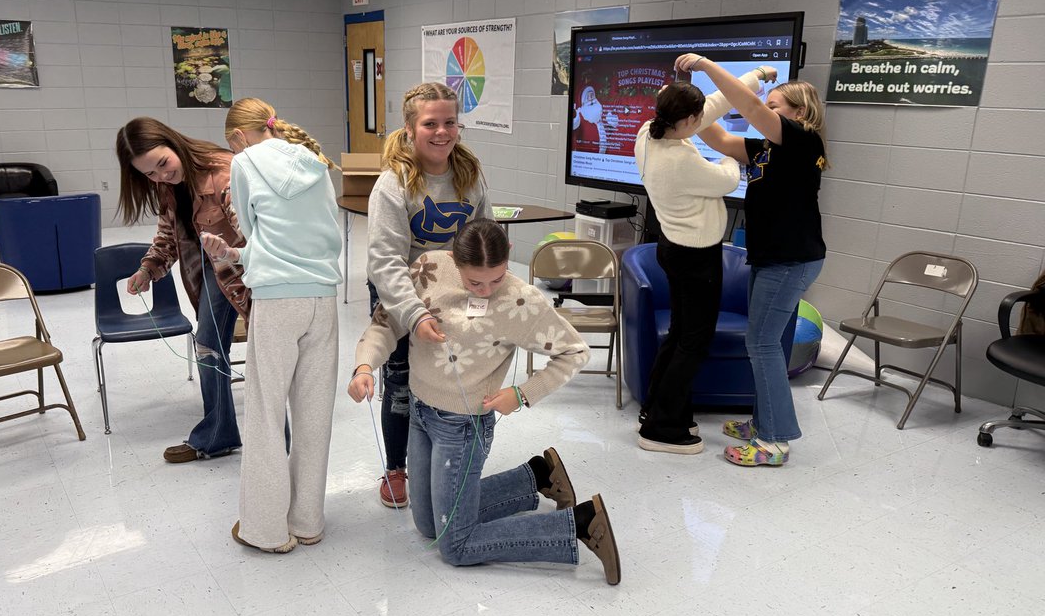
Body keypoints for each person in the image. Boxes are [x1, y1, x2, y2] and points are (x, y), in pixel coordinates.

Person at [348, 219, 621, 585]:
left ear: (508, 256)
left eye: (496, 278)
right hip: (419, 411)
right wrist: (364, 365)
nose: (487, 289)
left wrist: (523, 394)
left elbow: (575, 351)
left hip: (461, 428)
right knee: (428, 525)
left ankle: (580, 525)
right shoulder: (428, 269)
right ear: (454, 261)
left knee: (455, 544)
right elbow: (386, 322)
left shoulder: (521, 300)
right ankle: (536, 477)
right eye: (474, 281)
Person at [201, 99, 342, 553]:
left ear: (239, 138)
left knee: (264, 414)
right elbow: (285, 240)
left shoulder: (243, 162)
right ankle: (307, 521)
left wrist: (231, 252)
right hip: (322, 297)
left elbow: (252, 230)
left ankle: (264, 529)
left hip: (278, 302)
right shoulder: (315, 161)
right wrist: (234, 256)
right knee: (314, 415)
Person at [678, 53, 829, 467]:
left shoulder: (802, 138)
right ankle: (765, 422)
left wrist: (708, 68)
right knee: (764, 344)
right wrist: (680, 109)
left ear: (798, 113)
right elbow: (717, 139)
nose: (765, 112)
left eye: (775, 106)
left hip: (790, 261)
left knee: (761, 343)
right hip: (773, 259)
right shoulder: (766, 147)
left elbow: (748, 105)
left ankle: (774, 442)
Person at [634, 65, 775, 454]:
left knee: (681, 335)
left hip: (673, 248)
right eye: (699, 119)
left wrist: (756, 77)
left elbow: (713, 104)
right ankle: (661, 429)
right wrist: (729, 152)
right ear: (690, 121)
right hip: (695, 257)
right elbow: (728, 179)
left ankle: (656, 408)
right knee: (693, 342)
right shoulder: (680, 160)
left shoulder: (649, 131)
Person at [366, 82, 493, 509]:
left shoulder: (470, 176)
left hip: (452, 293)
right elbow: (385, 261)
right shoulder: (393, 184)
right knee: (402, 382)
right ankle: (397, 466)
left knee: (448, 376)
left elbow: (483, 238)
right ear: (408, 130)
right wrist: (415, 314)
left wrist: (486, 290)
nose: (442, 132)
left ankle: (438, 458)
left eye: (450, 122)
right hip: (400, 292)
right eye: (430, 123)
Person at [115, 118, 250, 464]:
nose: (160, 177)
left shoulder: (224, 171)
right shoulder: (167, 185)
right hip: (214, 271)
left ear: (173, 143)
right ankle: (219, 434)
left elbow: (256, 234)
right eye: (150, 174)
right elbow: (167, 233)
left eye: (162, 164)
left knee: (268, 358)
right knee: (208, 346)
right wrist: (149, 268)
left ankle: (276, 452)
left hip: (248, 269)